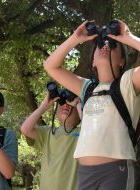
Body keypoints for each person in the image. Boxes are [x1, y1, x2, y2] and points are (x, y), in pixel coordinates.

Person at [43, 19, 140, 190]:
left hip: (116, 170)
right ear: (93, 62)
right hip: (85, 173)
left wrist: (127, 36)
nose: (105, 45)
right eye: (100, 44)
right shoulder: (86, 88)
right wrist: (75, 38)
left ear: (122, 62)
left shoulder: (127, 83)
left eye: (113, 45)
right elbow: (50, 66)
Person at [20, 92, 81, 190]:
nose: (66, 104)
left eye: (71, 102)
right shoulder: (48, 132)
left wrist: (78, 103)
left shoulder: (83, 133)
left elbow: (91, 128)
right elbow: (25, 129)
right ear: (55, 111)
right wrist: (43, 106)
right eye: (62, 102)